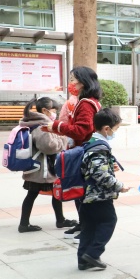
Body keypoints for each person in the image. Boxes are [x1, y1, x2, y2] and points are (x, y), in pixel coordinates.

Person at [45, 66, 103, 242]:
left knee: (82, 192)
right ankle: (83, 224)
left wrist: (57, 126)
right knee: (81, 192)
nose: (70, 83)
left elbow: (81, 131)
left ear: (83, 82)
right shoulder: (88, 101)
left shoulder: (85, 104)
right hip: (85, 151)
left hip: (83, 153)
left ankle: (87, 229)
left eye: (72, 79)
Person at [77, 109, 130, 271]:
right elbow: (99, 174)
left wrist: (110, 166)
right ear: (106, 128)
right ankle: (93, 254)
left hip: (86, 195)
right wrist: (119, 186)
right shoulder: (99, 147)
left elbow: (94, 167)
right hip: (98, 196)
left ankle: (83, 260)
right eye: (116, 129)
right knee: (109, 221)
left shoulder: (91, 142)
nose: (115, 132)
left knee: (88, 227)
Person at [17, 97, 77, 233]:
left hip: (38, 166)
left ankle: (59, 220)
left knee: (50, 193)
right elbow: (48, 147)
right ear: (45, 110)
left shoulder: (33, 122)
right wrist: (63, 139)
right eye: (53, 110)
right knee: (36, 194)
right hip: (42, 169)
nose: (55, 113)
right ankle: (25, 224)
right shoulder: (40, 125)